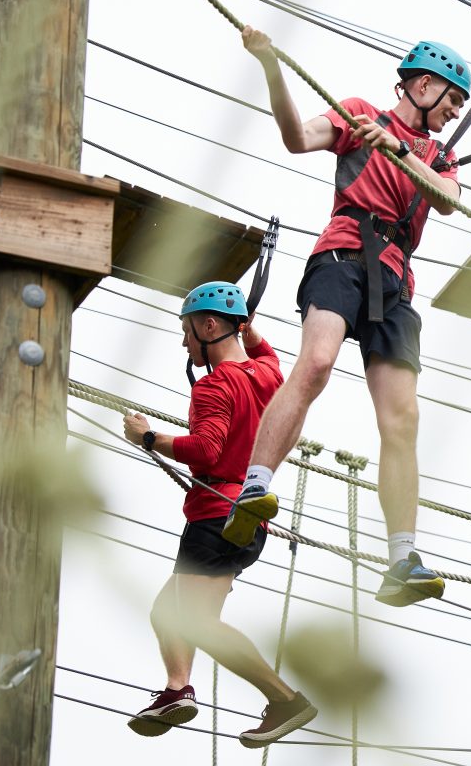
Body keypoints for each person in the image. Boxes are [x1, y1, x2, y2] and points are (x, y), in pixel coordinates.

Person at [228, 27, 471, 607]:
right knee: (314, 365)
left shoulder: (437, 154)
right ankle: (254, 488)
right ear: (424, 84)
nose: (454, 114)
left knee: (402, 420)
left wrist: (400, 150)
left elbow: (449, 198)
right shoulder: (360, 115)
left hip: (395, 277)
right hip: (344, 250)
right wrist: (270, 67)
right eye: (452, 100)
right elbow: (295, 137)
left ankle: (401, 558)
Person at [122, 281, 317, 747]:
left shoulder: (213, 386)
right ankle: (176, 690)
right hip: (246, 517)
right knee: (167, 613)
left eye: (188, 331)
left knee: (195, 622)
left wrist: (148, 438)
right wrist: (248, 333)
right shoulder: (269, 373)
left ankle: (286, 699)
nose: (185, 341)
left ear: (209, 325)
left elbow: (206, 450)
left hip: (216, 516)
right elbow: (262, 347)